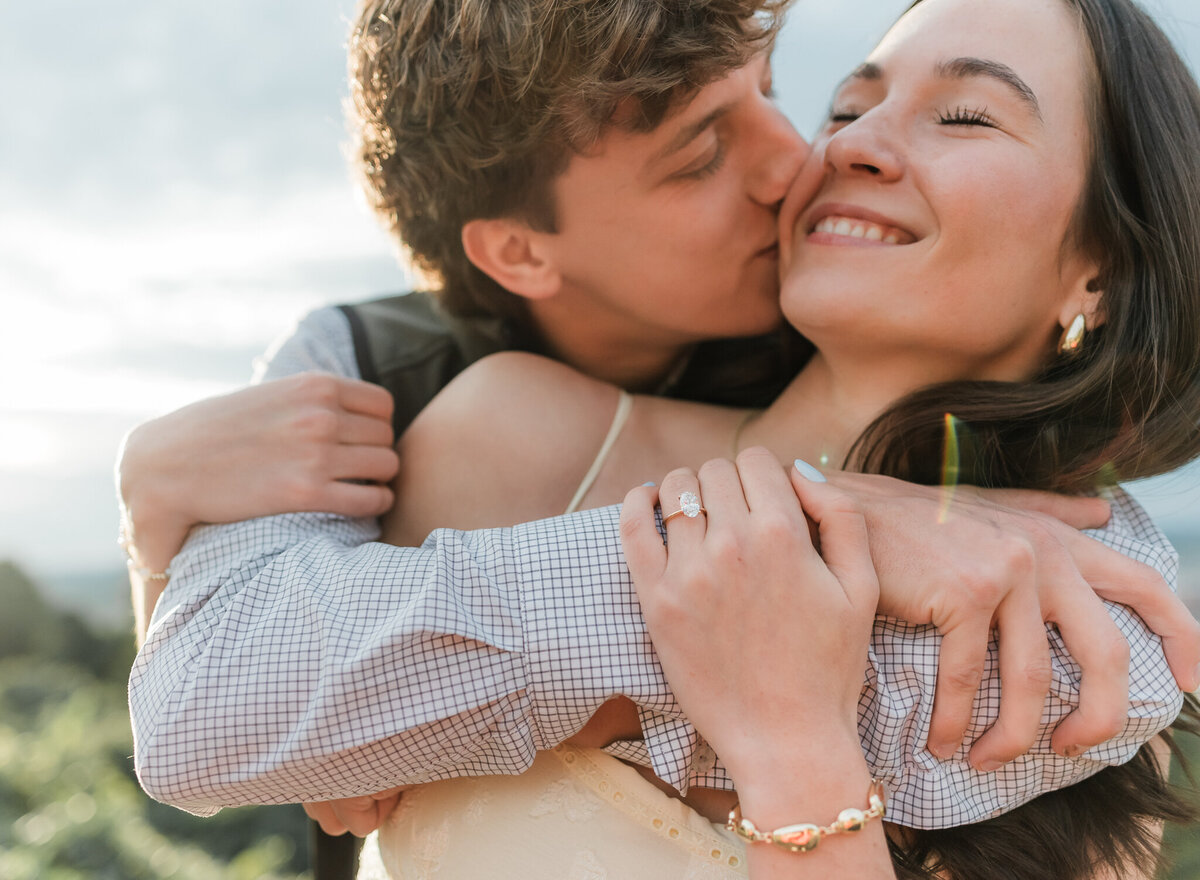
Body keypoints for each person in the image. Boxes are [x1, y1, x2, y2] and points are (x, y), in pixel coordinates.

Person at [122, 0, 1199, 871]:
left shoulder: (1090, 635)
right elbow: (232, 718)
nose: (832, 150)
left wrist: (799, 750)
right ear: (521, 252)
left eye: (964, 116)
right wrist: (805, 532)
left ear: (1095, 268)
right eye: (850, 104)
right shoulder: (504, 425)